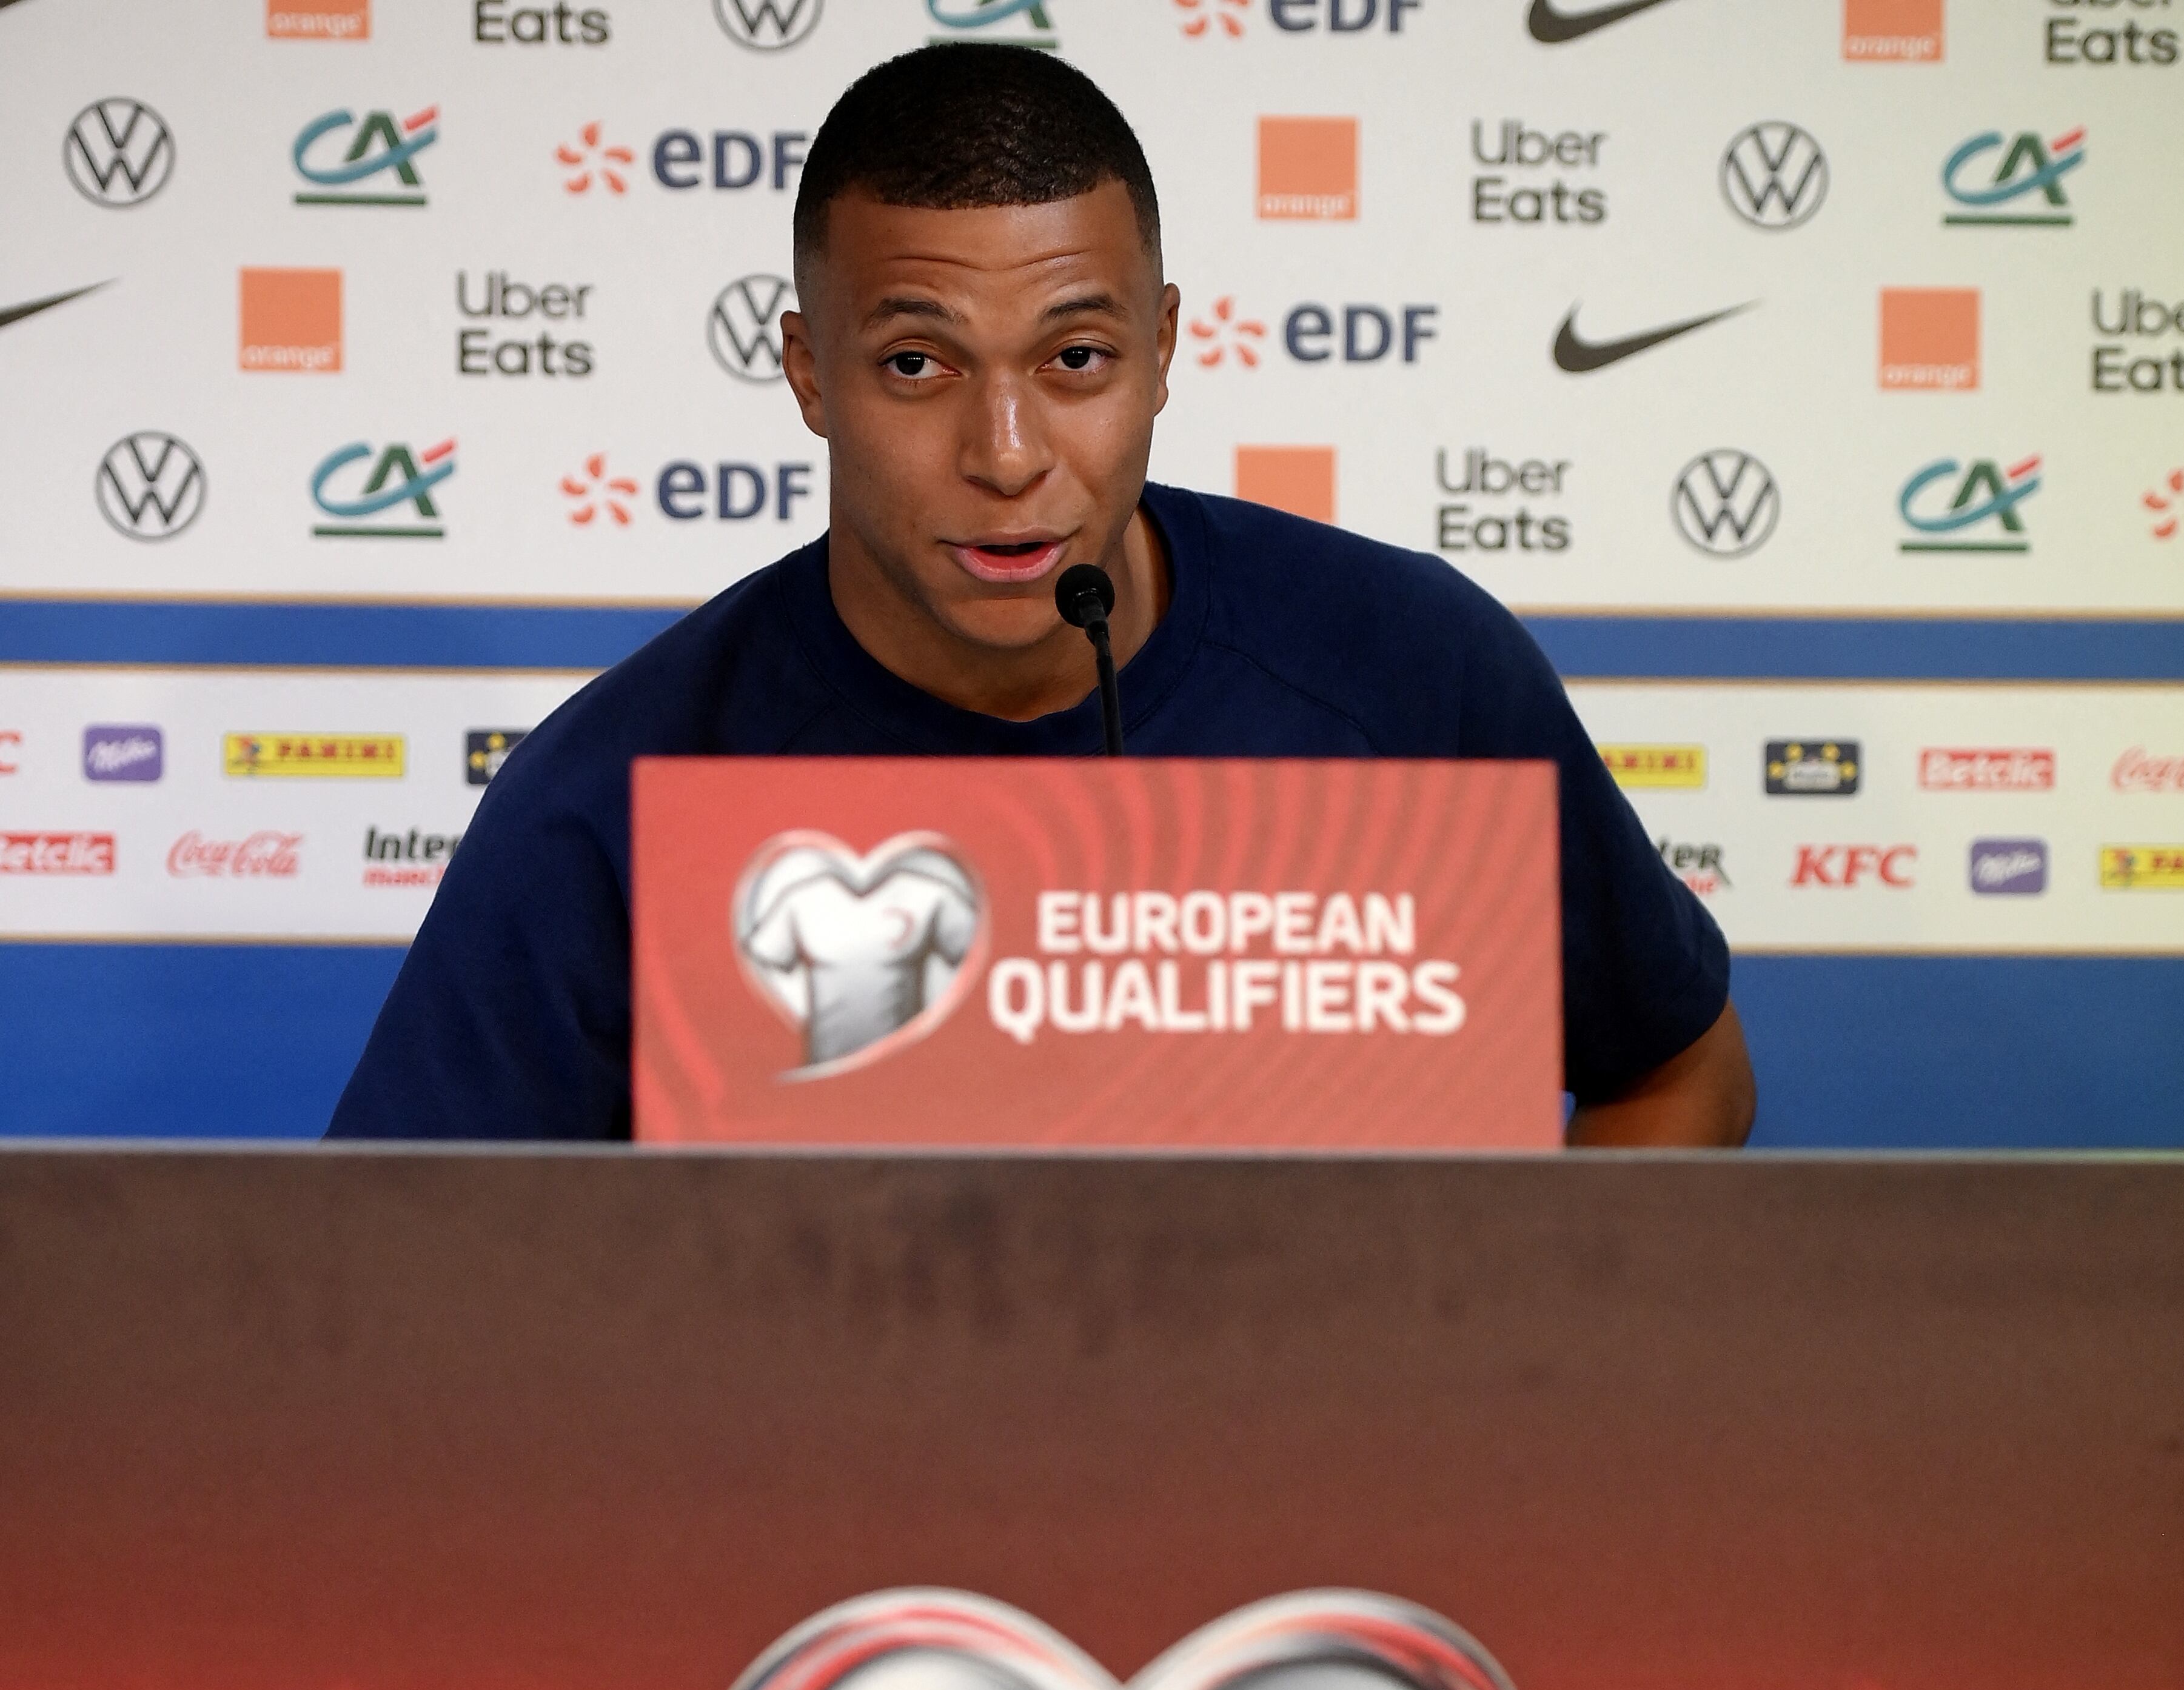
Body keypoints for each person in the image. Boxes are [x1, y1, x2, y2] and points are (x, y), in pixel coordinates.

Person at [329, 48, 1753, 1147]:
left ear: (1164, 348)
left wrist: (1504, 1341)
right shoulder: (619, 792)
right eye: (915, 366)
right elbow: (398, 1280)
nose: (1006, 457)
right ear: (809, 375)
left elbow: (1681, 1065)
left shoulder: (1409, 669)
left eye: (1074, 359)